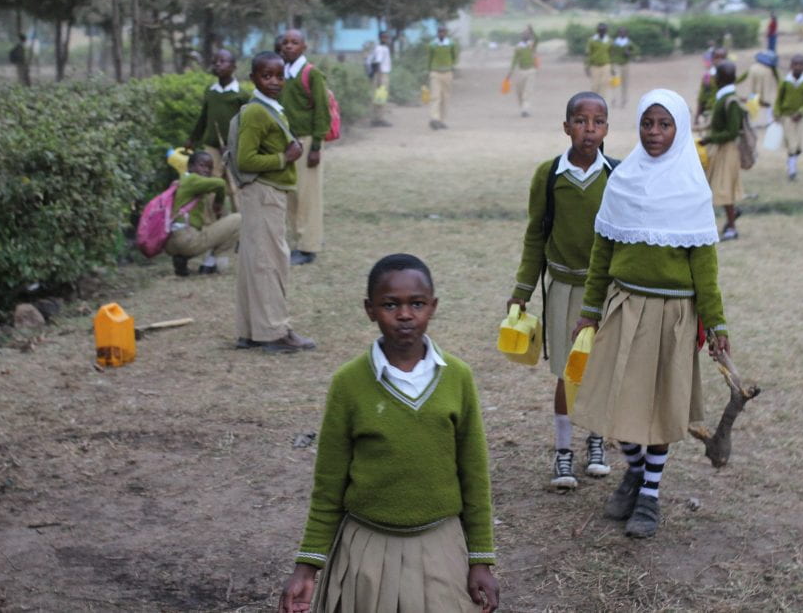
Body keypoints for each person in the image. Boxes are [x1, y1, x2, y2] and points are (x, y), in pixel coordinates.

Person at [279, 254, 499, 612]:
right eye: (390, 304)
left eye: (417, 303)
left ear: (433, 306)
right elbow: (328, 484)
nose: (405, 315)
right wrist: (307, 566)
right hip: (364, 547)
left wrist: (481, 560)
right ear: (369, 309)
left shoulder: (458, 377)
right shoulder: (348, 383)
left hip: (440, 544)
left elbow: (474, 476)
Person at [571, 89, 730, 539]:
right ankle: (633, 471)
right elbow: (603, 250)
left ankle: (649, 495)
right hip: (625, 306)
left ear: (678, 129)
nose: (655, 133)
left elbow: (705, 268)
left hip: (673, 315)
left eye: (664, 124)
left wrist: (716, 324)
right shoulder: (623, 180)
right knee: (621, 402)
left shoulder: (692, 187)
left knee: (659, 407)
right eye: (647, 123)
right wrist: (589, 309)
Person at [508, 91, 615, 490]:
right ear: (566, 126)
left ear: (607, 128)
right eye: (581, 121)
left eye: (598, 121)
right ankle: (564, 452)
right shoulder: (549, 175)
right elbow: (536, 234)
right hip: (562, 287)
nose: (590, 129)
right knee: (567, 373)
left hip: (602, 290)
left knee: (599, 370)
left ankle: (597, 441)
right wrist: (522, 289)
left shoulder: (616, 176)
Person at [234, 51, 315, 353]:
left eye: (279, 75)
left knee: (255, 261)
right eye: (266, 76)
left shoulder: (268, 108)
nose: (274, 81)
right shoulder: (257, 112)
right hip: (265, 191)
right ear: (253, 78)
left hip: (264, 193)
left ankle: (250, 331)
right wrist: (285, 157)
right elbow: (245, 158)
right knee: (271, 262)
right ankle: (274, 332)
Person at [276, 30, 328, 266]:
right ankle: (300, 238)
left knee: (308, 195)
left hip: (306, 141)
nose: (288, 46)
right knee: (292, 193)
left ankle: (309, 247)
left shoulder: (311, 74)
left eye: (294, 43)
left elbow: (321, 111)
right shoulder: (282, 74)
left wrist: (316, 146)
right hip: (288, 141)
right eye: (285, 42)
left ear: (304, 47)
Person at [185, 48, 250, 202]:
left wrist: (234, 145)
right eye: (215, 62)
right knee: (210, 185)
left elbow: (247, 125)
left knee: (236, 188)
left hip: (234, 149)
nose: (217, 65)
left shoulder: (242, 95)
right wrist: (193, 139)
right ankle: (210, 222)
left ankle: (240, 222)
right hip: (212, 148)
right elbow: (203, 118)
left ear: (233, 66)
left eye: (222, 61)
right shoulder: (210, 92)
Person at [164, 151, 241, 277]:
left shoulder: (182, 180)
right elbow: (220, 184)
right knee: (239, 220)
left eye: (210, 168)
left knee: (209, 227)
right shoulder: (193, 180)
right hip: (186, 240)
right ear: (190, 166)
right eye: (202, 165)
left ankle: (181, 260)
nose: (206, 170)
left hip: (170, 243)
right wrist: (218, 202)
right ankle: (210, 264)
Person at [701, 61, 744, 241]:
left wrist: (710, 139)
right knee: (717, 186)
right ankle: (732, 215)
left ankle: (732, 228)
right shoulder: (722, 97)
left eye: (717, 75)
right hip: (719, 148)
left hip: (727, 150)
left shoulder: (731, 101)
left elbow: (732, 131)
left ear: (720, 79)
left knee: (724, 188)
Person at [775, 54, 803, 181]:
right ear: (791, 66)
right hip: (788, 117)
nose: (798, 67)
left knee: (800, 146)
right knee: (791, 144)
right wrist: (777, 113)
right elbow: (778, 99)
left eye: (801, 64)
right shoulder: (785, 82)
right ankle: (792, 169)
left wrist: (801, 112)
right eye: (795, 64)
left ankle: (791, 161)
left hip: (801, 118)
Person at [428, 25, 458, 130]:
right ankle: (434, 119)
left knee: (445, 97)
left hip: (447, 73)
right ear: (437, 33)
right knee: (435, 96)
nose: (441, 34)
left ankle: (442, 120)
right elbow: (429, 58)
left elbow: (454, 57)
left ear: (446, 33)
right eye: (440, 32)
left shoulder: (451, 44)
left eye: (443, 32)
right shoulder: (432, 45)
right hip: (435, 73)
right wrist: (430, 70)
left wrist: (450, 66)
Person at [738, 50, 779, 126]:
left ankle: (752, 121)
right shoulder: (770, 68)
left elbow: (744, 75)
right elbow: (778, 77)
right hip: (765, 81)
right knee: (766, 100)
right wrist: (781, 85)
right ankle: (769, 120)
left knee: (753, 97)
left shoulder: (753, 66)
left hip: (753, 79)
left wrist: (736, 81)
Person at [506, 28, 538, 117]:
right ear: (521, 36)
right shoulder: (518, 48)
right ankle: (523, 107)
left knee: (527, 92)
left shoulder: (531, 46)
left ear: (529, 36)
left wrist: (532, 30)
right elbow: (514, 61)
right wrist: (510, 73)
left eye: (527, 34)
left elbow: (537, 39)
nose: (525, 35)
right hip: (520, 72)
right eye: (524, 34)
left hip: (531, 71)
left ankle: (525, 110)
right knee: (519, 92)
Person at [696, 47, 728, 123]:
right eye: (717, 58)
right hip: (711, 112)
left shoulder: (729, 75)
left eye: (723, 58)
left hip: (726, 111)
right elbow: (701, 98)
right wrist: (696, 117)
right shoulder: (707, 77)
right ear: (712, 60)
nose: (720, 60)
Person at [368, 31, 392, 127]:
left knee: (379, 97)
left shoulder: (384, 48)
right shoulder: (380, 49)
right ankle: (379, 119)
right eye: (383, 37)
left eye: (386, 37)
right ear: (380, 38)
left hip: (383, 74)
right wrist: (379, 78)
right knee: (380, 97)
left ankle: (377, 118)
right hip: (381, 75)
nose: (385, 39)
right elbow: (377, 63)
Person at [610, 27, 636, 109]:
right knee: (616, 82)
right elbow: (611, 52)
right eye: (620, 32)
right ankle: (614, 99)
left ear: (626, 33)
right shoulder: (614, 43)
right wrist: (611, 65)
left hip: (625, 64)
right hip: (616, 64)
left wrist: (630, 53)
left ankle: (623, 100)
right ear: (618, 33)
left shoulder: (629, 43)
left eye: (624, 32)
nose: (622, 34)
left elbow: (636, 50)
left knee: (625, 82)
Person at [585, 23, 612, 98]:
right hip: (594, 65)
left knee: (604, 84)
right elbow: (588, 54)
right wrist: (586, 66)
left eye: (603, 30)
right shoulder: (592, 40)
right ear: (597, 30)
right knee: (595, 85)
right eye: (600, 30)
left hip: (606, 64)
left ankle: (602, 101)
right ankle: (594, 100)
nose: (602, 32)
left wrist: (612, 67)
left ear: (606, 31)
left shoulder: (609, 41)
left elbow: (611, 53)